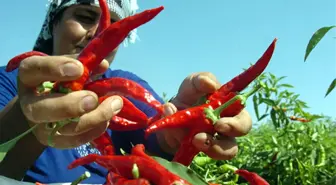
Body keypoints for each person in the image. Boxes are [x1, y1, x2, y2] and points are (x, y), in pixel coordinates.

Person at [0, 0, 253, 184]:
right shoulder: (8, 80)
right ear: (54, 22)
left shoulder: (125, 86)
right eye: (86, 17)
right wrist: (26, 115)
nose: (96, 35)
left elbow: (157, 133)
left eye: (113, 30)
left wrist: (189, 120)